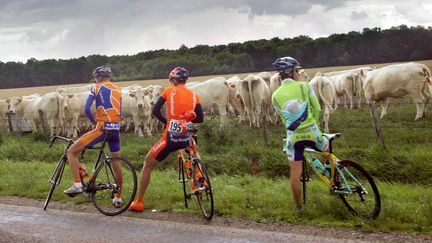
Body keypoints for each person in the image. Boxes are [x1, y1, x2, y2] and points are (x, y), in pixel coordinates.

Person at [129, 66, 204, 212]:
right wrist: (187, 120)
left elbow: (155, 110)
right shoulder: (195, 95)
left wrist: (166, 122)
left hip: (170, 138)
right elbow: (200, 117)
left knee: (148, 164)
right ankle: (199, 176)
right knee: (194, 151)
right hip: (186, 136)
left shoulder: (169, 91)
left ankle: (139, 202)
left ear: (173, 80)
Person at [271, 57, 329, 210]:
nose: (298, 73)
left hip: (293, 138)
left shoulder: (275, 96)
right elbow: (317, 109)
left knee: (295, 174)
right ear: (290, 72)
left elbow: (284, 119)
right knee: (327, 146)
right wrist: (313, 124)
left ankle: (298, 207)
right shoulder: (305, 86)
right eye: (297, 70)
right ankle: (331, 175)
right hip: (312, 132)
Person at [64, 65, 124, 207]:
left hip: (102, 129)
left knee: (71, 152)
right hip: (115, 130)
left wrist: (94, 122)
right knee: (116, 163)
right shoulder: (118, 89)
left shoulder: (95, 88)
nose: (96, 80)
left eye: (96, 77)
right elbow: (119, 112)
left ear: (99, 77)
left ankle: (78, 184)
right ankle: (118, 197)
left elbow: (86, 109)